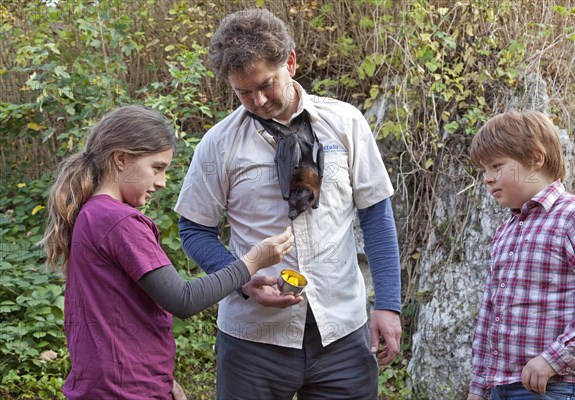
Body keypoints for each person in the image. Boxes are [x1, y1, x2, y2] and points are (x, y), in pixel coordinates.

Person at [175, 9, 402, 400]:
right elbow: (194, 230)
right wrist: (241, 280)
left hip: (342, 333)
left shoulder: (345, 123)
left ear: (290, 63)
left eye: (266, 84)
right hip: (252, 339)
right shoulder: (219, 143)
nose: (258, 100)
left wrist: (389, 304)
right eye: (244, 92)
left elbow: (376, 216)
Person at [38, 105, 294, 400]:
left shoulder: (91, 214)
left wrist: (157, 379)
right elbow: (182, 299)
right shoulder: (119, 221)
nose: (161, 182)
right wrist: (253, 261)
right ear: (121, 159)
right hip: (126, 389)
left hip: (115, 382)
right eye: (156, 168)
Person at [467, 110, 575, 400]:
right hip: (501, 388)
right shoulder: (505, 231)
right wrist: (478, 389)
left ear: (535, 158)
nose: (488, 179)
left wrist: (554, 359)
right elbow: (489, 314)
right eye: (484, 171)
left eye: (496, 166)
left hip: (560, 387)